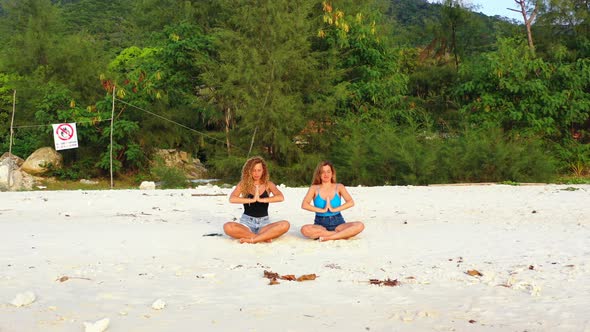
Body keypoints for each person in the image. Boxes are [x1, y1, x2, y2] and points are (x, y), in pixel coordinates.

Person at [223, 156, 290, 243]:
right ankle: (262, 237)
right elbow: (232, 199)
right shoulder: (243, 184)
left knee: (285, 225)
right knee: (227, 227)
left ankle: (254, 239)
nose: (256, 173)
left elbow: (280, 197)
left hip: (264, 224)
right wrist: (252, 200)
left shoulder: (268, 184)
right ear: (249, 171)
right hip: (246, 223)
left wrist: (262, 200)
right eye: (253, 170)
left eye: (259, 170)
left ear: (263, 171)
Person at [300, 160, 364, 241]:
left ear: (332, 173)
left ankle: (329, 237)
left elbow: (351, 202)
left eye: (328, 171)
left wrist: (334, 209)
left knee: (360, 225)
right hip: (320, 224)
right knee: (304, 229)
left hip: (338, 222)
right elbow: (304, 205)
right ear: (319, 174)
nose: (326, 174)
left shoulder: (339, 187)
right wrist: (322, 210)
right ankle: (341, 235)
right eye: (323, 172)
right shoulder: (314, 188)